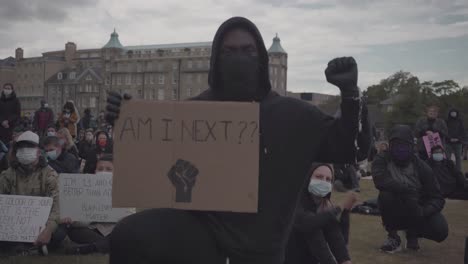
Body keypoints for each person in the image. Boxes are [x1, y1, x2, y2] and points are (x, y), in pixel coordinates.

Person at [106, 17, 361, 264]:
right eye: (229, 52)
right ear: (216, 61)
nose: (239, 57)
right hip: (202, 236)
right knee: (130, 234)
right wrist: (126, 115)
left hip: (260, 248)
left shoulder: (294, 116)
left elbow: (348, 147)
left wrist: (350, 96)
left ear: (261, 59)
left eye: (247, 50)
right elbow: (152, 155)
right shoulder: (193, 114)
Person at [372, 125, 448, 253]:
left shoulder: (422, 167)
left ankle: (413, 233)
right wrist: (407, 191)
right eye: (397, 145)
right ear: (390, 145)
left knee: (440, 229)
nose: (401, 149)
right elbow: (380, 180)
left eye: (404, 145)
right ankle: (393, 236)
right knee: (385, 195)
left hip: (418, 207)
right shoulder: (382, 159)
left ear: (411, 147)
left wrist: (424, 211)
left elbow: (437, 197)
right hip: (396, 203)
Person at [0, 131, 64, 254]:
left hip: (42, 225)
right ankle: (31, 248)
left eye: (30, 147)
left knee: (59, 232)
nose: (25, 150)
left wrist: (48, 229)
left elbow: (57, 207)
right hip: (14, 225)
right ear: (17, 151)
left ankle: (25, 247)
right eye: (21, 147)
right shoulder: (8, 174)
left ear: (39, 151)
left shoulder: (49, 174)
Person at [285, 164, 357, 264]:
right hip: (288, 257)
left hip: (308, 259)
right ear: (308, 178)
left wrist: (345, 212)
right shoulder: (295, 200)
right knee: (314, 225)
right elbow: (308, 223)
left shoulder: (324, 205)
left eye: (328, 179)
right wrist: (340, 207)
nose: (323, 182)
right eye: (319, 177)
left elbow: (338, 238)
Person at [64, 154, 115, 255]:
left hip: (114, 230)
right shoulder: (86, 189)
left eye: (109, 169)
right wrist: (75, 219)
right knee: (74, 232)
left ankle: (90, 248)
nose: (104, 172)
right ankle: (107, 245)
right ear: (95, 171)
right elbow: (80, 222)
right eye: (100, 169)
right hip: (93, 229)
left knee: (127, 234)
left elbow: (127, 219)